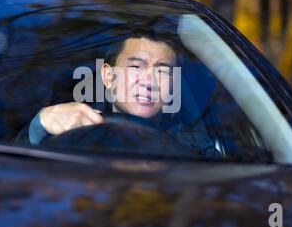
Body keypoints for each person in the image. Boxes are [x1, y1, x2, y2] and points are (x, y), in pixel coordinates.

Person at [16, 31, 218, 157]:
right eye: (136, 66)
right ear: (108, 76)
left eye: (162, 70)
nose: (149, 81)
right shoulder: (70, 127)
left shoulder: (195, 148)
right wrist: (38, 127)